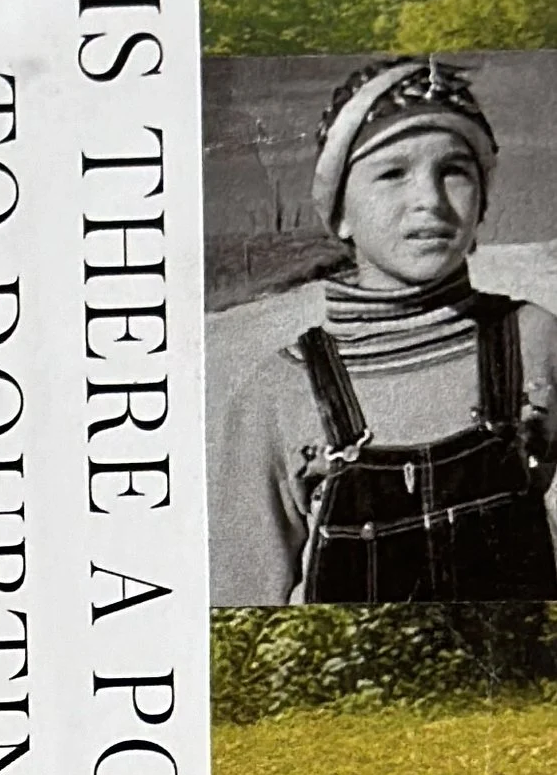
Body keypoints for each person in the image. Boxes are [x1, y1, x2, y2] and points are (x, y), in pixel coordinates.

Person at [216, 57, 557, 654]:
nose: (429, 199)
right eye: (392, 173)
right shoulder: (279, 393)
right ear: (340, 212)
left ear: (481, 205)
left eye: (455, 171)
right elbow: (235, 617)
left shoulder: (534, 341)